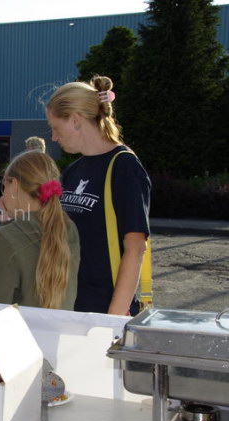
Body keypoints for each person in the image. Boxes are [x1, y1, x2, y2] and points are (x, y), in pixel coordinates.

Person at [46, 75, 150, 315]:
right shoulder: (73, 171)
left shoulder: (124, 166)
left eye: (55, 128)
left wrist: (112, 320)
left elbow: (136, 248)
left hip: (103, 313)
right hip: (69, 307)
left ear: (75, 120)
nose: (54, 137)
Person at [0, 150, 79, 309]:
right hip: (61, 325)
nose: (3, 197)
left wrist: (8, 230)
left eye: (4, 186)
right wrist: (11, 225)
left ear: (15, 185)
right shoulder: (69, 228)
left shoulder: (3, 239)